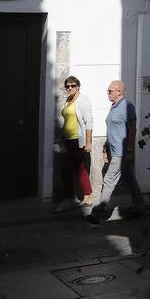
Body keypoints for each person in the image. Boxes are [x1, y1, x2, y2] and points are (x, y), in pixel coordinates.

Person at [86, 80, 146, 225]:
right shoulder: (114, 106)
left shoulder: (127, 106)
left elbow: (132, 130)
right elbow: (112, 130)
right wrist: (106, 149)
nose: (108, 93)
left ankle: (97, 214)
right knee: (130, 179)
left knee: (108, 181)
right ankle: (140, 208)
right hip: (114, 151)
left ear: (119, 91)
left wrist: (130, 150)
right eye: (108, 91)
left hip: (122, 152)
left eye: (110, 91)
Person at [53, 75, 95, 214]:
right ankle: (88, 196)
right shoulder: (68, 100)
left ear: (78, 86)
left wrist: (88, 142)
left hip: (78, 140)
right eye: (67, 86)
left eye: (73, 85)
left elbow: (89, 121)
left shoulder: (82, 101)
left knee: (65, 168)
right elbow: (66, 120)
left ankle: (68, 199)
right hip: (68, 140)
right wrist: (61, 137)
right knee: (80, 168)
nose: (70, 88)